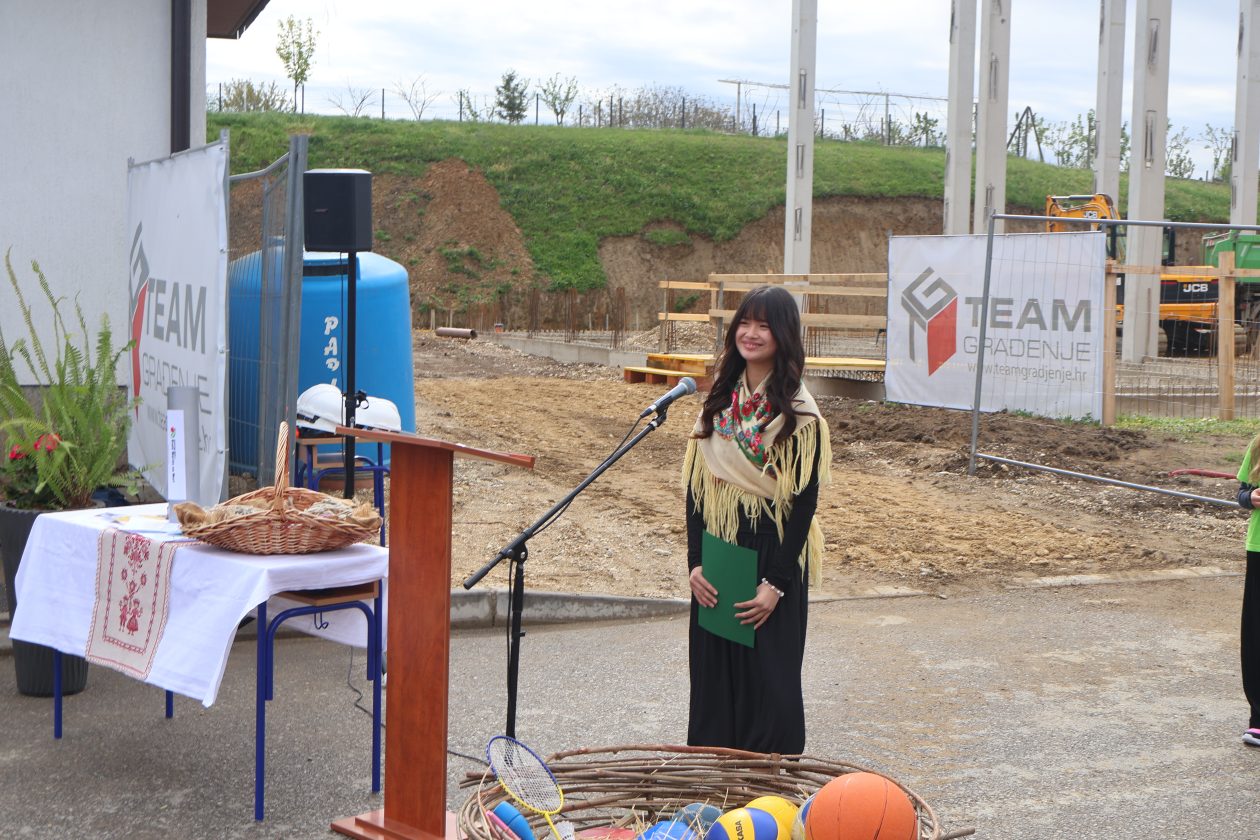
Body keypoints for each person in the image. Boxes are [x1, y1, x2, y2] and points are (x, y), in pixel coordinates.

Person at [681, 285, 831, 754]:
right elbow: (696, 486)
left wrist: (776, 584)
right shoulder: (719, 401)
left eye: (764, 325)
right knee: (716, 678)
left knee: (772, 686)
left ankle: (770, 791)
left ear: (783, 334)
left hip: (773, 552)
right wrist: (696, 563)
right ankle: (715, 787)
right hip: (720, 550)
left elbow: (804, 503)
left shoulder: (800, 414)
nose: (751, 333)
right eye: (745, 322)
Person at [1238, 434, 1260, 746]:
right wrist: (1251, 497)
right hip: (1259, 548)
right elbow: (1242, 493)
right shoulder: (1258, 444)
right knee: (1256, 632)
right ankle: (1259, 716)